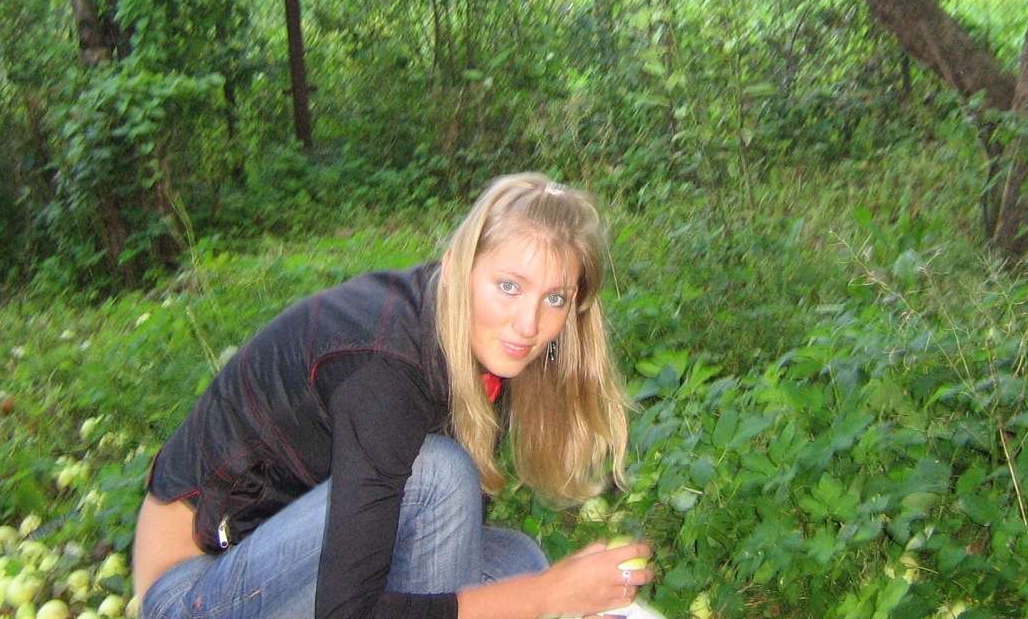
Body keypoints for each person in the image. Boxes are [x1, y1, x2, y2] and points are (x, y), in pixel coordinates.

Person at [133, 172, 653, 619]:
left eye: (554, 298)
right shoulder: (385, 371)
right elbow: (348, 611)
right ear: (458, 267)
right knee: (439, 477)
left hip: (286, 557)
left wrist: (538, 591)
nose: (529, 324)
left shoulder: (472, 341)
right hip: (194, 590)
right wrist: (547, 597)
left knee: (516, 563)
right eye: (509, 286)